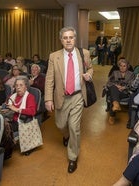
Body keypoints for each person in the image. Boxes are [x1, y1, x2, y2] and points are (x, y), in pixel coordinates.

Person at [44, 26, 93, 173]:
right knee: (60, 124)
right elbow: (49, 79)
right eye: (65, 38)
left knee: (74, 127)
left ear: (75, 39)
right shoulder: (54, 56)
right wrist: (48, 99)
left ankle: (73, 157)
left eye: (71, 37)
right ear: (61, 40)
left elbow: (90, 68)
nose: (68, 40)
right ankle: (65, 136)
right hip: (62, 97)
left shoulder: (84, 53)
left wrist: (89, 74)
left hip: (78, 95)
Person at [1, 76, 37, 155]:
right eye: (16, 85)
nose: (18, 87)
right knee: (1, 126)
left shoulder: (30, 97)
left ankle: (5, 152)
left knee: (4, 130)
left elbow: (32, 111)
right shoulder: (13, 96)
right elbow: (7, 103)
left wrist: (16, 109)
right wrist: (7, 108)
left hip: (22, 122)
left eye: (21, 85)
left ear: (26, 87)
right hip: (12, 120)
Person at [105, 58, 135, 124]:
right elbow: (108, 82)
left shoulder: (131, 74)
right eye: (121, 65)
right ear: (119, 66)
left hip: (124, 92)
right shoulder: (115, 73)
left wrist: (124, 87)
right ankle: (116, 104)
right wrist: (116, 85)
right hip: (114, 89)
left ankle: (112, 115)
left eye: (124, 66)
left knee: (113, 95)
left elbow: (132, 84)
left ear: (127, 66)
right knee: (113, 88)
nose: (122, 67)